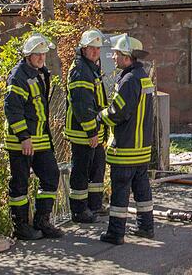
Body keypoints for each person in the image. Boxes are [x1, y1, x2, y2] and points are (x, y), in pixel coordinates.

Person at [4, 31, 63, 240]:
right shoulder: (18, 76)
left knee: (51, 176)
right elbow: (12, 109)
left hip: (40, 138)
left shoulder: (39, 73)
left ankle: (41, 220)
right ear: (28, 55)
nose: (41, 58)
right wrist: (23, 137)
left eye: (43, 54)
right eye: (37, 54)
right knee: (20, 183)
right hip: (22, 141)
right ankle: (20, 225)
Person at [98, 34, 156, 245]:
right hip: (141, 149)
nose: (113, 57)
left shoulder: (129, 80)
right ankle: (145, 227)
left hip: (125, 149)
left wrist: (100, 116)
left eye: (116, 54)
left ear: (127, 57)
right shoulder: (142, 77)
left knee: (120, 193)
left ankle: (115, 233)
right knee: (142, 191)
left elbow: (117, 112)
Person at [66, 29, 108, 224]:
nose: (95, 51)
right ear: (83, 49)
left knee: (97, 168)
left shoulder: (90, 67)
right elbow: (82, 106)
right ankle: (79, 211)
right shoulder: (80, 70)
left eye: (98, 48)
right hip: (83, 132)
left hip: (94, 132)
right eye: (91, 48)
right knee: (81, 172)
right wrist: (92, 131)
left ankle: (94, 206)